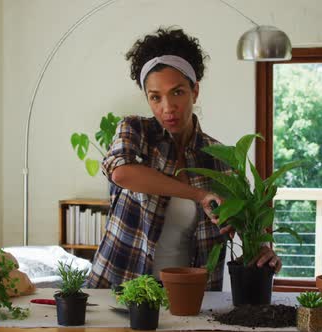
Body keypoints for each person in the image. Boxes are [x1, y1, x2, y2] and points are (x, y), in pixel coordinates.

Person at [87, 27, 281, 291]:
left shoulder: (218, 157)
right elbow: (122, 173)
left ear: (195, 91)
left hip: (189, 295)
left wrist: (262, 249)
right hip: (119, 287)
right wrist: (198, 195)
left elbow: (246, 225)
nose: (167, 107)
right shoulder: (135, 131)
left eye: (177, 92)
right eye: (155, 97)